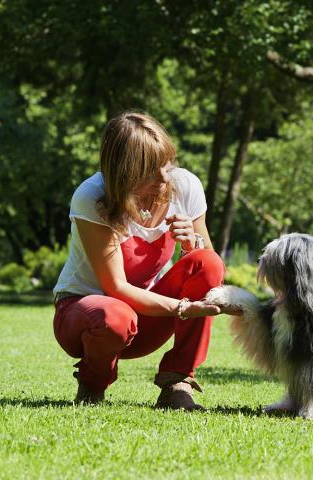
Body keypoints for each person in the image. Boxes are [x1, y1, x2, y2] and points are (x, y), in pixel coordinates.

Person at [53, 111, 229, 410]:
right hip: (86, 315)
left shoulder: (185, 185)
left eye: (166, 163)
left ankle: (177, 382)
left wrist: (191, 245)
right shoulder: (92, 197)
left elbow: (207, 266)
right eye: (150, 170)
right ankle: (93, 384)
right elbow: (116, 287)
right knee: (115, 316)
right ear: (124, 172)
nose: (164, 178)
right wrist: (183, 308)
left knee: (207, 262)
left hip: (146, 317)